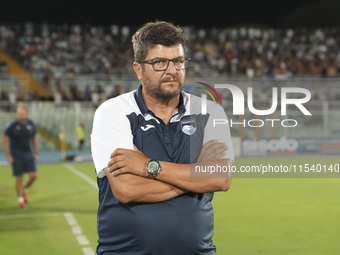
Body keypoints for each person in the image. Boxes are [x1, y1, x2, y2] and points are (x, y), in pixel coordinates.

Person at [91, 21, 234, 255]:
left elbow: (220, 179)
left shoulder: (210, 112)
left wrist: (148, 166)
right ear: (138, 69)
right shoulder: (113, 112)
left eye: (178, 61)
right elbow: (127, 189)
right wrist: (194, 175)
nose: (172, 70)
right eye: (159, 62)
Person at [2, 106, 38, 208]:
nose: (21, 114)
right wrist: (8, 155)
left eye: (23, 113)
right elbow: (5, 141)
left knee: (34, 175)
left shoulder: (31, 124)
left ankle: (25, 189)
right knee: (19, 177)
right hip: (16, 155)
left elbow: (34, 139)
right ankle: (20, 199)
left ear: (26, 113)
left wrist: (35, 153)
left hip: (28, 154)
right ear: (17, 114)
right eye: (19, 113)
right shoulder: (12, 126)